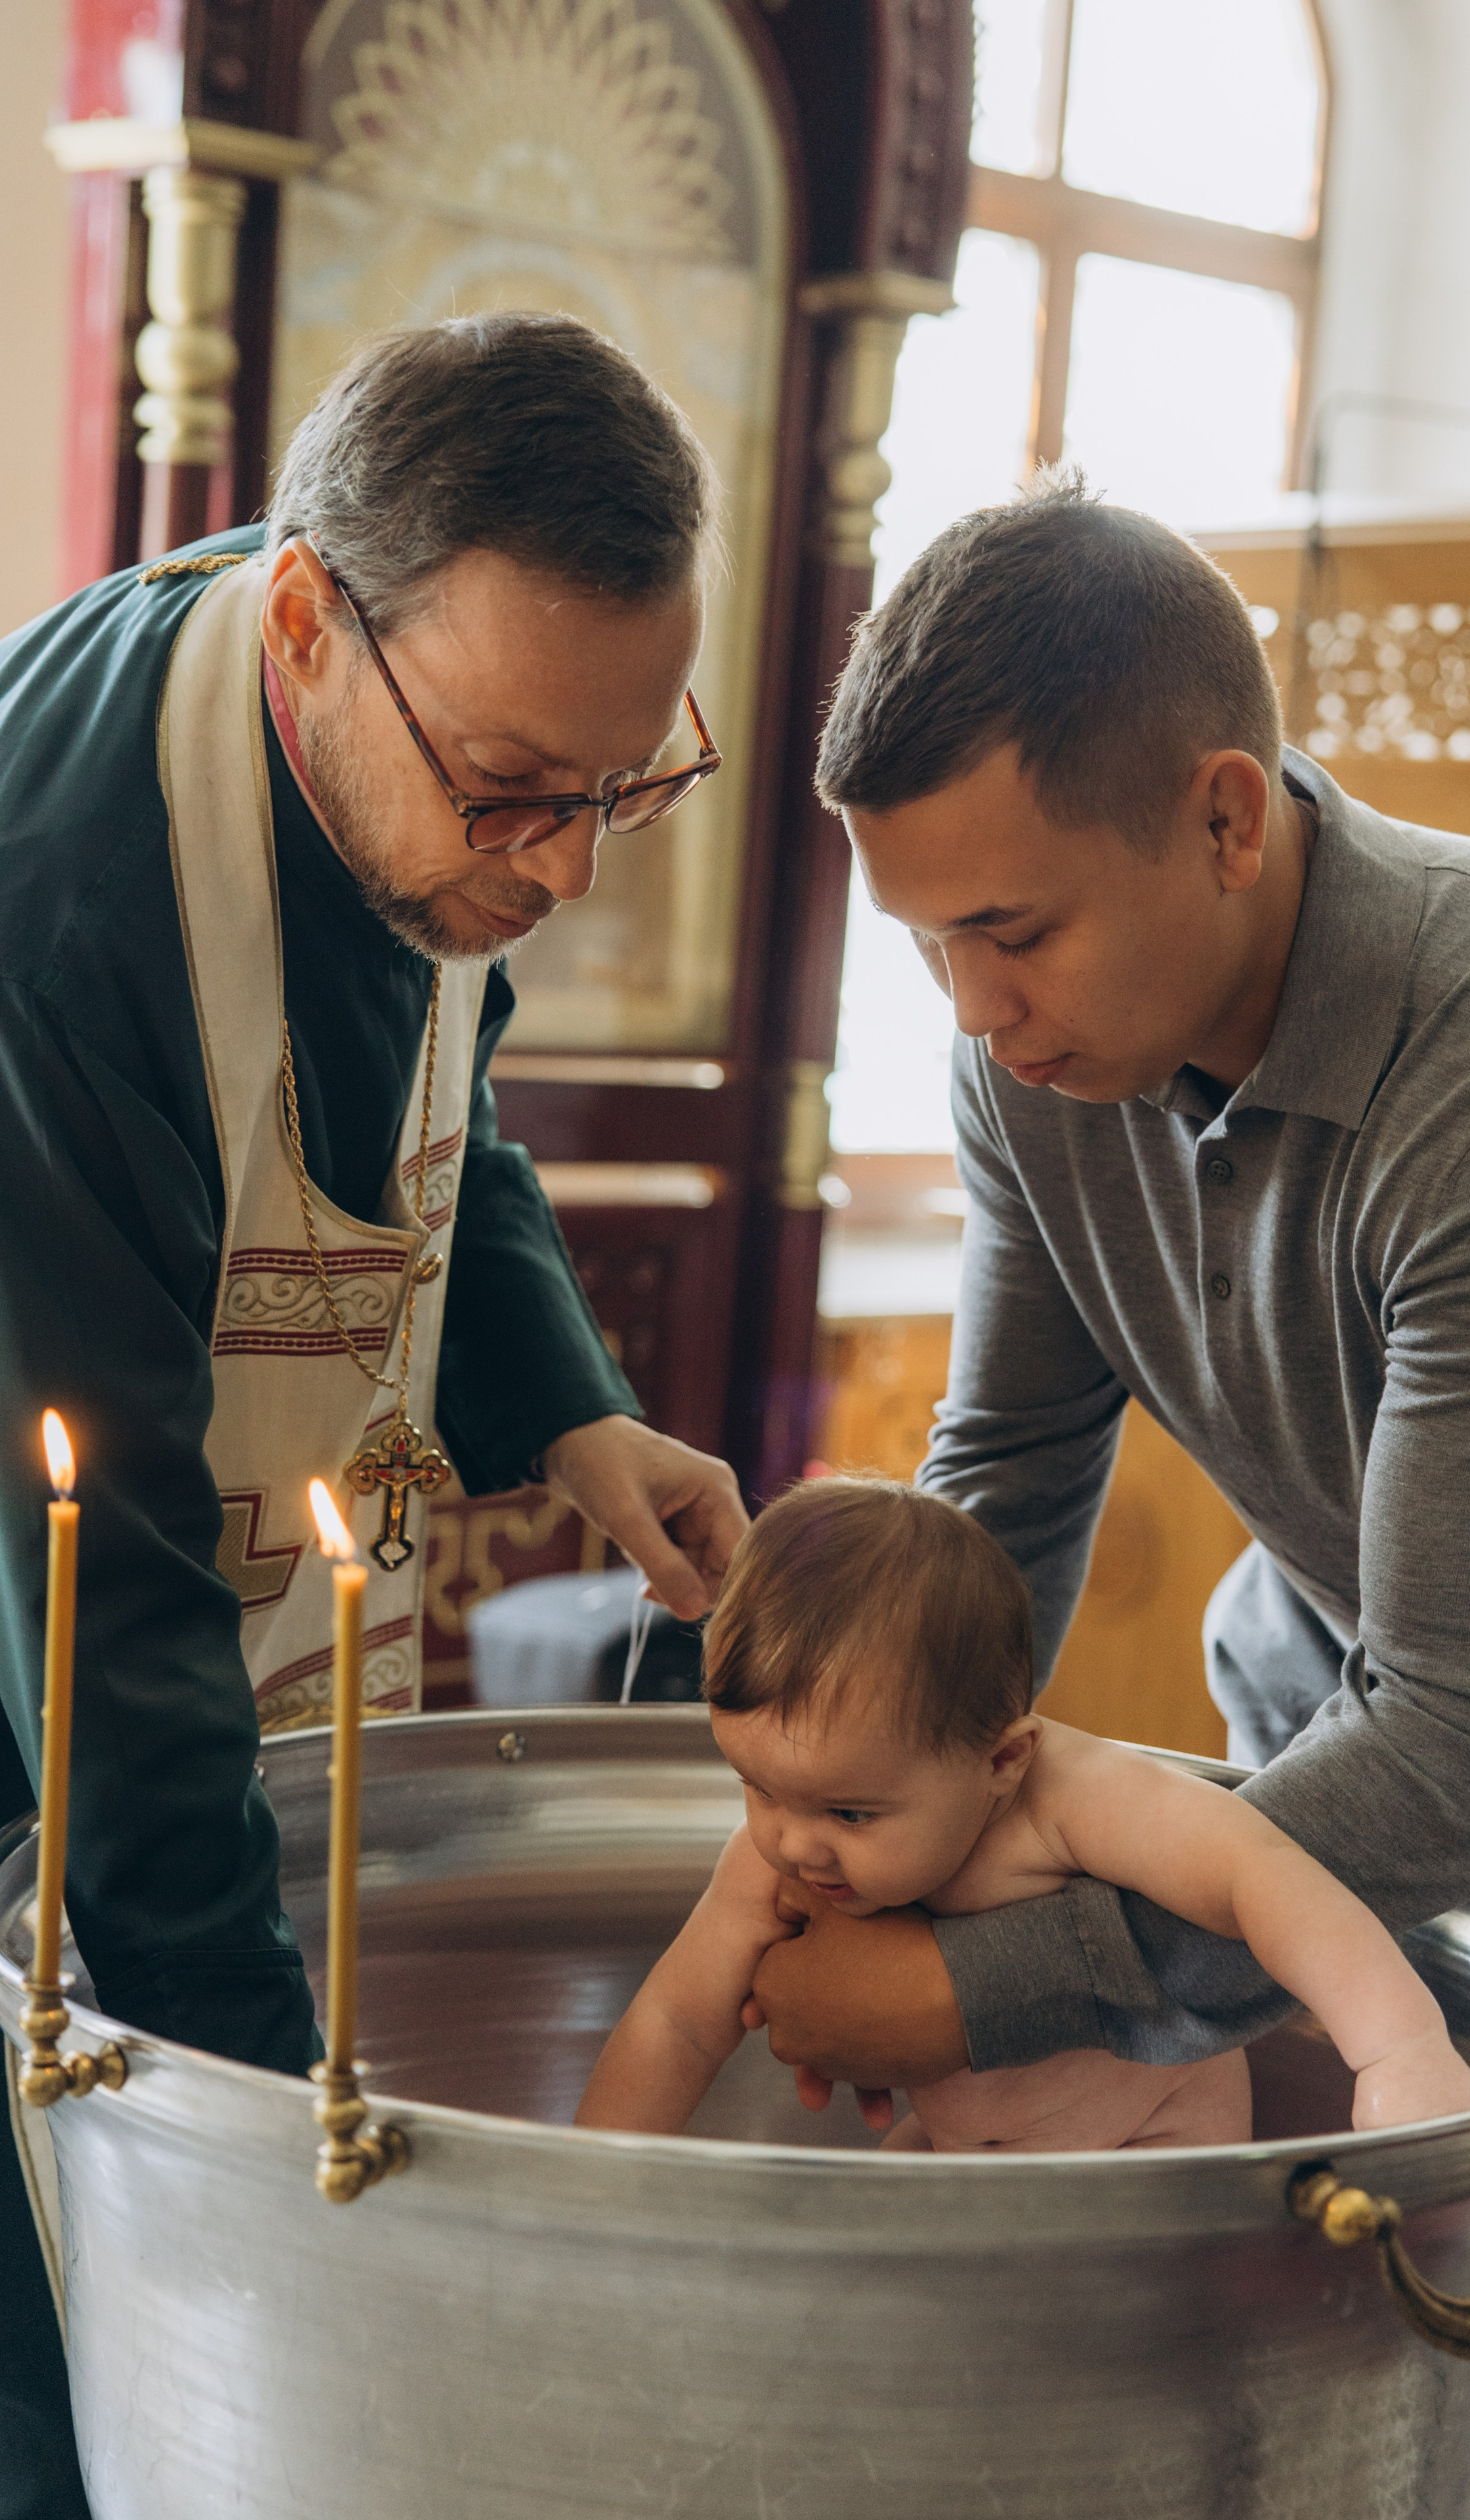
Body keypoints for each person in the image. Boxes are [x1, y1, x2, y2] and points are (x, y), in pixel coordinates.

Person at [740, 475, 1470, 2518]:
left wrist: (967, 1982)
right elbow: (1007, 1470)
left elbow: (1464, 1752)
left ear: (1227, 821)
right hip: (1331, 1700)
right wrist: (865, 1797)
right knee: (1288, 2347)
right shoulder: (1027, 1061)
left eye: (1012, 932)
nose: (974, 1020)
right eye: (926, 948)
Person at [0, 312, 748, 2517]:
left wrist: (573, 1409)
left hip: (231, 1655)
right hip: (36, 1731)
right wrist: (277, 2172)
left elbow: (449, 1107)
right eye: (526, 793)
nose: (565, 869)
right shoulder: (53, 920)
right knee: (102, 2394)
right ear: (311, 625)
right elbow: (106, 1615)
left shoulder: (422, 742)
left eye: (630, 786)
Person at [577, 1477, 1470, 2149]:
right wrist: (584, 2178)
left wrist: (1399, 2050)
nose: (791, 1841)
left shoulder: (1071, 1801)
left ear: (1002, 1761)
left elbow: (1267, 1879)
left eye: (851, 1814)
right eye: (759, 1788)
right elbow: (678, 2019)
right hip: (963, 2159)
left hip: (1150, 2156)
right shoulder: (783, 1851)